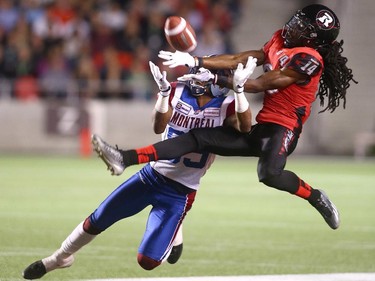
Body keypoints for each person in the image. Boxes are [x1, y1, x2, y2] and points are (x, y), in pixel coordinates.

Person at [87, 4, 358, 231]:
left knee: (269, 174)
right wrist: (197, 62)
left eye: (305, 28)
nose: (295, 27)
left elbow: (260, 83)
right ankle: (124, 158)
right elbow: (244, 57)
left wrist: (217, 78)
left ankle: (316, 197)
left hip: (283, 128)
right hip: (260, 124)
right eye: (298, 20)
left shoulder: (309, 60)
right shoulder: (280, 40)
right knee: (198, 138)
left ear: (314, 40)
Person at [22, 58, 255, 280]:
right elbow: (158, 126)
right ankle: (58, 258)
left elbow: (245, 127)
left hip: (180, 192)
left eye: (209, 76)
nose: (199, 79)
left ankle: (177, 224)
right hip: (151, 175)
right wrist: (164, 95)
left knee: (147, 261)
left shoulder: (228, 105)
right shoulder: (177, 90)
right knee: (98, 218)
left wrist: (241, 90)